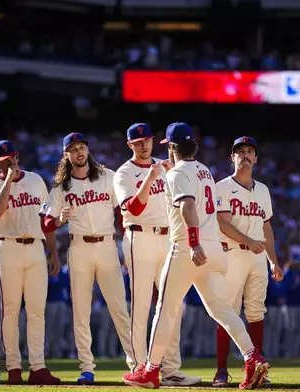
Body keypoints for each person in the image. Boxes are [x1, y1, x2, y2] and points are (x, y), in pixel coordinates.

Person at [123, 123, 269, 390]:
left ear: (173, 148)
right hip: (215, 249)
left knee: (165, 309)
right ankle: (252, 357)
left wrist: (193, 243)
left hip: (189, 248)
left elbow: (188, 206)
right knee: (221, 309)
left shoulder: (177, 172)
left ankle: (151, 370)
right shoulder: (204, 170)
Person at [41, 132, 135, 384]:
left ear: (88, 150)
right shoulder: (62, 187)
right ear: (66, 155)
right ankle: (87, 368)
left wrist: (126, 248)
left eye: (82, 147)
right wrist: (59, 219)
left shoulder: (108, 176)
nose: (79, 152)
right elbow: (47, 222)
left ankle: (135, 363)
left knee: (119, 308)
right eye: (73, 149)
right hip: (79, 247)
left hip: (107, 245)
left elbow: (124, 213)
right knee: (80, 312)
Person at [114, 123, 200, 387]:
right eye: (138, 142)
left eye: (147, 140)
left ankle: (171, 369)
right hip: (139, 236)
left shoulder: (169, 168)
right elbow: (132, 209)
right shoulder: (124, 173)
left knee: (172, 305)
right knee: (141, 306)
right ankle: (140, 366)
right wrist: (150, 178)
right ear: (130, 145)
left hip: (169, 238)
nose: (144, 145)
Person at [0, 140, 61, 385]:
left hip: (36, 247)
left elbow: (46, 219)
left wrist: (54, 253)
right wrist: (8, 180)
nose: (11, 162)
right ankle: (13, 367)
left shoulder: (36, 180)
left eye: (13, 157)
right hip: (7, 247)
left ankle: (38, 367)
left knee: (37, 311)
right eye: (4, 159)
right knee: (11, 311)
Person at [212, 136, 282, 387]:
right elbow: (222, 223)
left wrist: (273, 260)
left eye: (249, 151)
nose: (244, 155)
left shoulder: (263, 189)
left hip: (257, 257)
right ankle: (221, 370)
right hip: (231, 253)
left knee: (256, 313)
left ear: (256, 158)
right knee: (227, 312)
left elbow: (267, 227)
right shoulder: (221, 186)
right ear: (232, 157)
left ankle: (255, 370)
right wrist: (249, 242)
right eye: (239, 151)